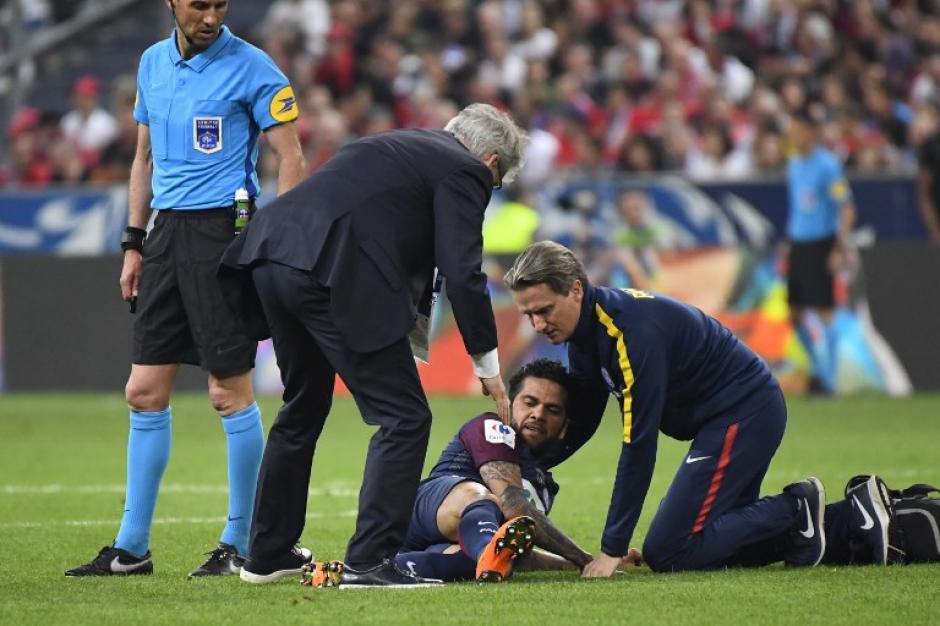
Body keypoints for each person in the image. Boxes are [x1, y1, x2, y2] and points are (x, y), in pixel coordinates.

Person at [219, 103, 526, 586]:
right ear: (490, 162)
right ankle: (370, 561)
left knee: (302, 406)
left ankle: (267, 553)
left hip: (270, 256)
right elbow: (463, 271)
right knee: (405, 418)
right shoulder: (466, 170)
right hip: (332, 272)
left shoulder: (396, 142)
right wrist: (487, 363)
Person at [66, 0, 305, 578]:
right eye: (200, 4)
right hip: (166, 234)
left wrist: (274, 240)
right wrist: (133, 242)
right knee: (143, 391)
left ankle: (240, 541)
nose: (212, 16)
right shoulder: (151, 63)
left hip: (224, 233)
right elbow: (143, 159)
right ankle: (132, 548)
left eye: (221, 4)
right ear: (172, 3)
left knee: (229, 393)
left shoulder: (254, 67)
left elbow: (290, 155)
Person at [503, 241, 896, 576]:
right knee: (714, 547)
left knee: (666, 550)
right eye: (528, 315)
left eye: (544, 310)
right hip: (730, 417)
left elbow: (638, 443)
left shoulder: (630, 334)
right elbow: (583, 420)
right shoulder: (584, 339)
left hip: (742, 411)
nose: (537, 325)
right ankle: (849, 519)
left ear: (575, 290)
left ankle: (797, 506)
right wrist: (527, 463)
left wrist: (612, 548)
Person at [389, 358, 594, 584]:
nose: (538, 414)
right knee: (481, 498)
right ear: (510, 403)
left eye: (552, 410)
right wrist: (583, 558)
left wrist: (584, 564)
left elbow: (518, 554)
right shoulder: (495, 429)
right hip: (427, 510)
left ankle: (380, 566)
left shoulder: (543, 487)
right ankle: (487, 551)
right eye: (530, 402)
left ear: (564, 426)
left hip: (468, 540)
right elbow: (514, 505)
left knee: (476, 561)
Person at [784, 111, 856, 395]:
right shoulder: (792, 164)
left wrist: (839, 246)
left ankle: (830, 379)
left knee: (825, 311)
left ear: (811, 133)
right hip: (799, 244)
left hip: (821, 243)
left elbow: (847, 207)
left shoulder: (828, 166)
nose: (792, 136)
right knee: (794, 314)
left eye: (797, 130)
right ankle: (818, 370)